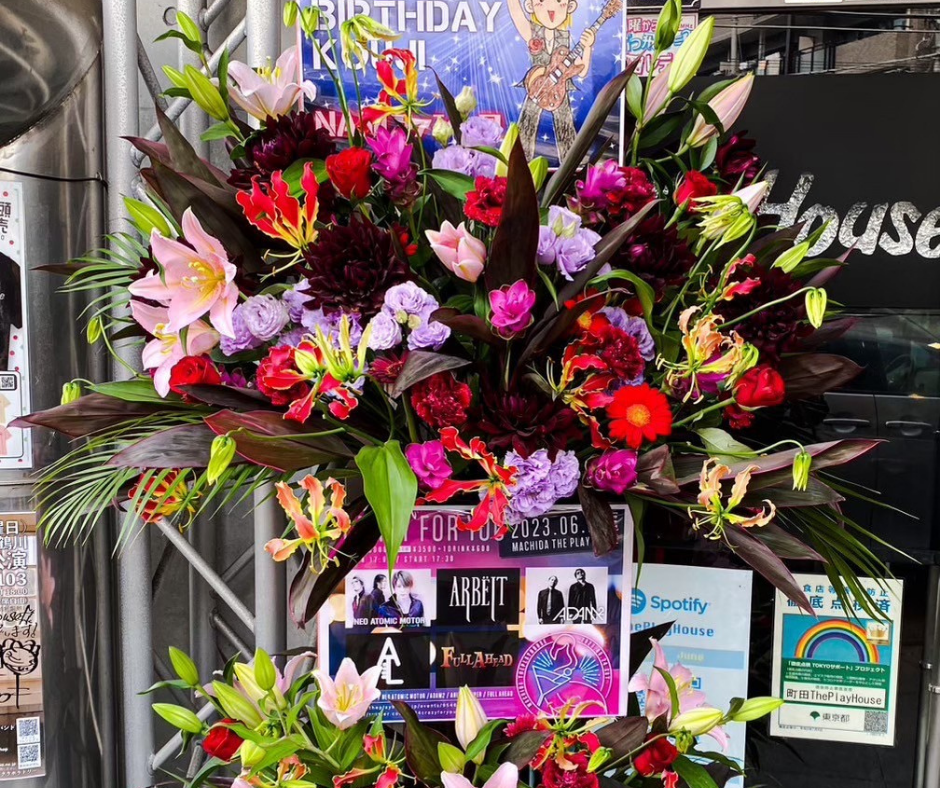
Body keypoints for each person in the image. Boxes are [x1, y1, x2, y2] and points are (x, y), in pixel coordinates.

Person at [507, 0, 595, 161]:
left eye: (560, 2)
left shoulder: (565, 37)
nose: (551, 8)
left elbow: (582, 72)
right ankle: (518, 165)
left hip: (559, 90)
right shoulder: (533, 32)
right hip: (537, 86)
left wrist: (588, 47)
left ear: (570, 7)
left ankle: (572, 165)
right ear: (530, 6)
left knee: (566, 129)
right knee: (526, 127)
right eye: (541, 2)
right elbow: (516, 13)